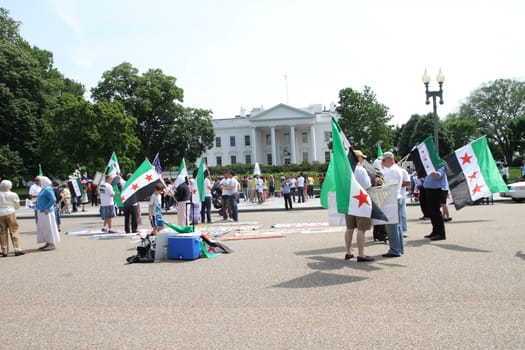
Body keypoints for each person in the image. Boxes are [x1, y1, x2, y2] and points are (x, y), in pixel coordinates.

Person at [344, 150, 374, 262]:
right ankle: (361, 254)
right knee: (361, 229)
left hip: (349, 201)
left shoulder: (346, 171)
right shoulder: (361, 170)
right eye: (362, 157)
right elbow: (367, 186)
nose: (363, 159)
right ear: (358, 158)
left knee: (349, 228)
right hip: (361, 200)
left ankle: (348, 251)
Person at [376, 152, 405, 258]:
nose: (382, 163)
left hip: (392, 200)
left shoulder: (391, 171)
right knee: (397, 226)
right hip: (397, 197)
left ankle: (395, 249)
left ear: (389, 159)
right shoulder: (396, 169)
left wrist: (380, 184)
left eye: (383, 160)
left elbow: (389, 187)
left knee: (391, 227)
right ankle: (399, 248)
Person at [0, 179, 24, 257]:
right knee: (14, 230)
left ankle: (4, 250)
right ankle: (17, 249)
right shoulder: (13, 194)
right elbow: (17, 204)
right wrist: (16, 207)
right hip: (10, 212)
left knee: (2, 231)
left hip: (0, 213)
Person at [35, 176, 60, 251]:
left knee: (49, 227)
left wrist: (46, 207)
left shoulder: (48, 189)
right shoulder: (43, 189)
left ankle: (51, 243)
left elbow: (53, 199)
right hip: (42, 210)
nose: (37, 182)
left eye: (38, 180)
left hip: (47, 211)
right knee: (44, 227)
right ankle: (47, 242)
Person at [423, 166, 447, 241]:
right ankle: (435, 231)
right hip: (429, 189)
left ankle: (441, 233)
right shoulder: (430, 165)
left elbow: (437, 176)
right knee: (431, 212)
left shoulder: (439, 166)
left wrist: (430, 169)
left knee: (436, 212)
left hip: (436, 190)